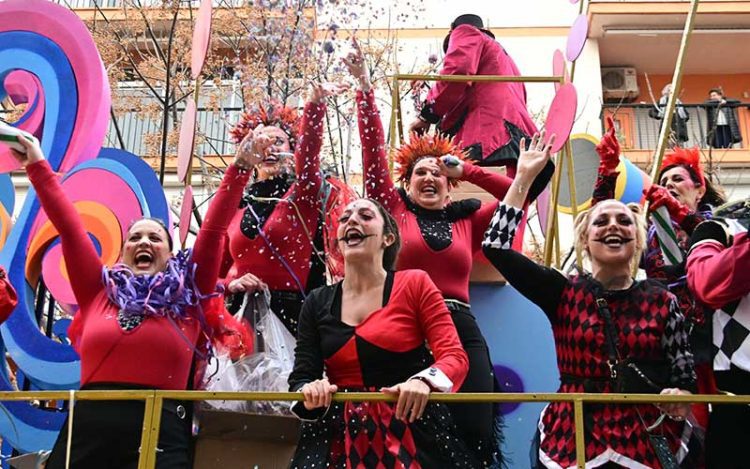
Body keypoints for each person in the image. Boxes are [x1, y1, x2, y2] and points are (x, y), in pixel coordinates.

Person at [11, 128, 260, 468]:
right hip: (88, 435)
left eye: (155, 238)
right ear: (123, 251)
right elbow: (70, 227)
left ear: (172, 255)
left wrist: (241, 167)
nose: (144, 242)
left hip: (161, 433)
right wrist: (37, 166)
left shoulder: (190, 297)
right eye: (135, 237)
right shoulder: (99, 292)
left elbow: (213, 232)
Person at [344, 39, 529, 466]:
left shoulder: (468, 218)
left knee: (477, 426)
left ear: (449, 186)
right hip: (403, 323)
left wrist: (469, 170)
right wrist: (364, 87)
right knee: (413, 429)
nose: (429, 178)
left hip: (461, 325)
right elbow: (373, 157)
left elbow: (518, 195)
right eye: (419, 173)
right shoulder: (389, 214)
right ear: (405, 184)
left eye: (438, 173)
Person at [483, 133, 697, 468]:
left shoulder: (663, 300)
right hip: (572, 435)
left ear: (638, 238)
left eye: (625, 221)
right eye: (601, 221)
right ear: (585, 239)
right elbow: (495, 246)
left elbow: (684, 375)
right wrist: (523, 178)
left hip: (645, 434)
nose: (614, 226)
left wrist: (680, 394)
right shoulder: (562, 291)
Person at [288, 197, 477, 467]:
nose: (352, 220)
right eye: (344, 219)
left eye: (365, 216)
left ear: (388, 238)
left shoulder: (416, 282)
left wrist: (422, 382)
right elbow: (301, 378)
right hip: (337, 438)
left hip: (413, 430)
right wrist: (310, 391)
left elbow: (454, 357)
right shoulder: (316, 301)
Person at [594, 119, 725, 439]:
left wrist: (680, 215)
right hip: (663, 344)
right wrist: (608, 172)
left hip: (716, 345)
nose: (669, 184)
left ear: (700, 188)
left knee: (718, 433)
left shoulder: (721, 226)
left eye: (678, 179)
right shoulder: (648, 234)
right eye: (664, 180)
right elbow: (599, 230)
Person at [223, 82, 353, 336]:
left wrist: (314, 106)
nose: (269, 149)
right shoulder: (236, 204)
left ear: (292, 149)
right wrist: (232, 284)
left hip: (294, 316)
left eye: (279, 142)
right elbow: (211, 276)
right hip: (240, 318)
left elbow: (308, 158)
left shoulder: (302, 195)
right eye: (261, 143)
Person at [407, 13, 553, 201]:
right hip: (518, 146)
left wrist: (428, 114)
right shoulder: (505, 62)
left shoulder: (466, 32)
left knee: (474, 219)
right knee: (509, 214)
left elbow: (457, 73)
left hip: (487, 139)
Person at [687, 215, 750, 469]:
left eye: (678, 179)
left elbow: (707, 283)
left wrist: (703, 241)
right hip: (731, 395)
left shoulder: (725, 228)